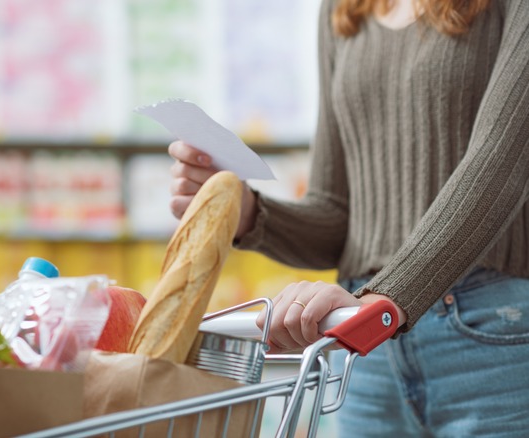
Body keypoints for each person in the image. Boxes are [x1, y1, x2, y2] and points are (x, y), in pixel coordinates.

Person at [168, 0, 529, 435]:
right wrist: (245, 213)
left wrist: (385, 301)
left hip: (488, 330)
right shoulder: (345, 10)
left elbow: (501, 169)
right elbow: (336, 214)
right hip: (364, 343)